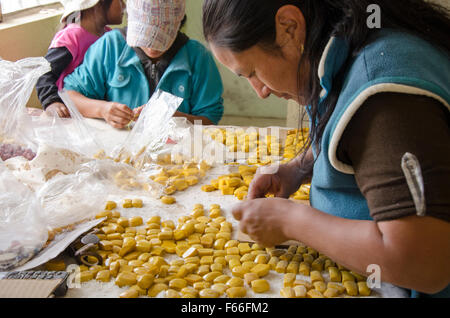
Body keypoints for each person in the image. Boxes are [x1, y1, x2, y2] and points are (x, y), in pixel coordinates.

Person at [202, 0, 450, 298]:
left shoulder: (383, 97)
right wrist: (301, 168)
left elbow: (425, 264)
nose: (261, 92)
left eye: (252, 71)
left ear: (289, 27)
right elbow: (356, 138)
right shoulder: (352, 45)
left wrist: (291, 221)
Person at [63, 0, 224, 129]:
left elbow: (210, 121)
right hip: (118, 152)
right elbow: (70, 96)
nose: (152, 47)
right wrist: (103, 110)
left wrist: (178, 119)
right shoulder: (110, 46)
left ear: (179, 23)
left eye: (160, 37)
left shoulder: (197, 57)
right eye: (145, 36)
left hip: (177, 157)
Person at [36, 0, 126, 118]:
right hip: (72, 116)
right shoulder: (72, 36)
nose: (124, 6)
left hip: (97, 112)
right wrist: (51, 101)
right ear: (98, 4)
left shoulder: (110, 37)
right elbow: (44, 71)